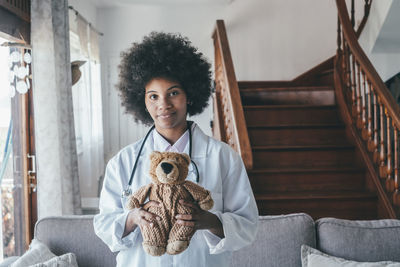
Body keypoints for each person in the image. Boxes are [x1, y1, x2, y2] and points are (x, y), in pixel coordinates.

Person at [94, 32, 258, 267]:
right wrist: (132, 219)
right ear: (142, 100)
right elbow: (103, 226)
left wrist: (209, 220)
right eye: (153, 96)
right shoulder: (123, 162)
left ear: (189, 95)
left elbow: (248, 226)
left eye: (173, 93)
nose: (164, 105)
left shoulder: (223, 157)